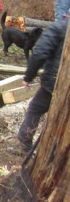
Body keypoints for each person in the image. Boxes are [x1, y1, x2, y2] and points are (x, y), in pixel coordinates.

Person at [18, 14, 69, 152]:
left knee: (35, 109)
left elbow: (39, 53)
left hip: (57, 81)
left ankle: (24, 144)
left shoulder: (59, 27)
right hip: (57, 80)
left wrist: (28, 77)